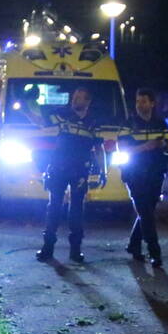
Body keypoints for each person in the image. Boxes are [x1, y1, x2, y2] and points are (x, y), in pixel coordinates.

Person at [35, 85, 103, 263]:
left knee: (76, 211)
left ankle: (75, 251)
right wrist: (28, 106)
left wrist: (103, 170)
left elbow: (98, 147)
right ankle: (47, 248)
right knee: (54, 208)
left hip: (80, 170)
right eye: (74, 96)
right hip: (58, 167)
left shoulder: (93, 123)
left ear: (88, 101)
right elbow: (41, 121)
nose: (75, 100)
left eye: (80, 97)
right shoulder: (62, 115)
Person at [118, 88, 168, 267]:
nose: (140, 104)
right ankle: (155, 252)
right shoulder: (129, 124)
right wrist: (146, 147)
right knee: (146, 213)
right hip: (134, 174)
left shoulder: (160, 123)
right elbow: (123, 149)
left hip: (156, 173)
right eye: (138, 101)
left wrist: (164, 145)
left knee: (146, 211)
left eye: (143, 101)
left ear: (152, 103)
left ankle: (134, 246)